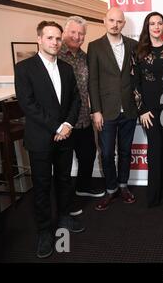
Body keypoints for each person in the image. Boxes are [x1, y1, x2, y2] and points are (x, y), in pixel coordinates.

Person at [14, 21, 84, 258]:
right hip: (41, 139)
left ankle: (64, 218)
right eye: (49, 38)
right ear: (39, 39)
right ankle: (44, 231)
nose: (54, 42)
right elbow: (28, 105)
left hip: (65, 136)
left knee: (64, 180)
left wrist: (67, 125)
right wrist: (56, 125)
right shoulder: (24, 68)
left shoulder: (66, 68)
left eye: (57, 38)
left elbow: (76, 99)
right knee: (42, 186)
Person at [88, 7, 138, 211]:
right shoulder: (95, 46)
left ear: (123, 23)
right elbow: (93, 80)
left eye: (119, 21)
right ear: (104, 21)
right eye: (111, 20)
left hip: (129, 109)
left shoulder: (133, 45)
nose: (115, 24)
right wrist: (96, 110)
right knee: (107, 153)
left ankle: (123, 185)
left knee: (126, 151)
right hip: (105, 111)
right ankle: (110, 189)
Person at [59, 16, 105, 216]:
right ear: (64, 33)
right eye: (73, 32)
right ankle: (65, 203)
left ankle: (84, 186)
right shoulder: (56, 55)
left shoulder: (85, 57)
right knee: (64, 163)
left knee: (87, 155)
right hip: (63, 121)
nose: (77, 37)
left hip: (84, 117)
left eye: (81, 34)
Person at [132, 12, 163, 207]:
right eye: (152, 23)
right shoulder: (138, 50)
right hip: (149, 109)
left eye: (160, 23)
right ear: (147, 26)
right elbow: (134, 83)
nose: (157, 27)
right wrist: (141, 109)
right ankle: (154, 194)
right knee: (155, 149)